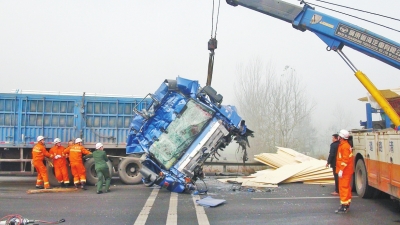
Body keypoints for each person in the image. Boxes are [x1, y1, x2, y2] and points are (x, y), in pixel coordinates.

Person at [335, 129, 354, 214]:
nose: (338, 137)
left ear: (341, 137)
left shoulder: (344, 146)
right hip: (345, 170)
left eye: (339, 136)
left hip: (345, 171)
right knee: (346, 187)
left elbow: (345, 160)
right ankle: (346, 204)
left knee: (343, 188)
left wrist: (341, 170)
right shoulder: (343, 145)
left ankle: (344, 205)